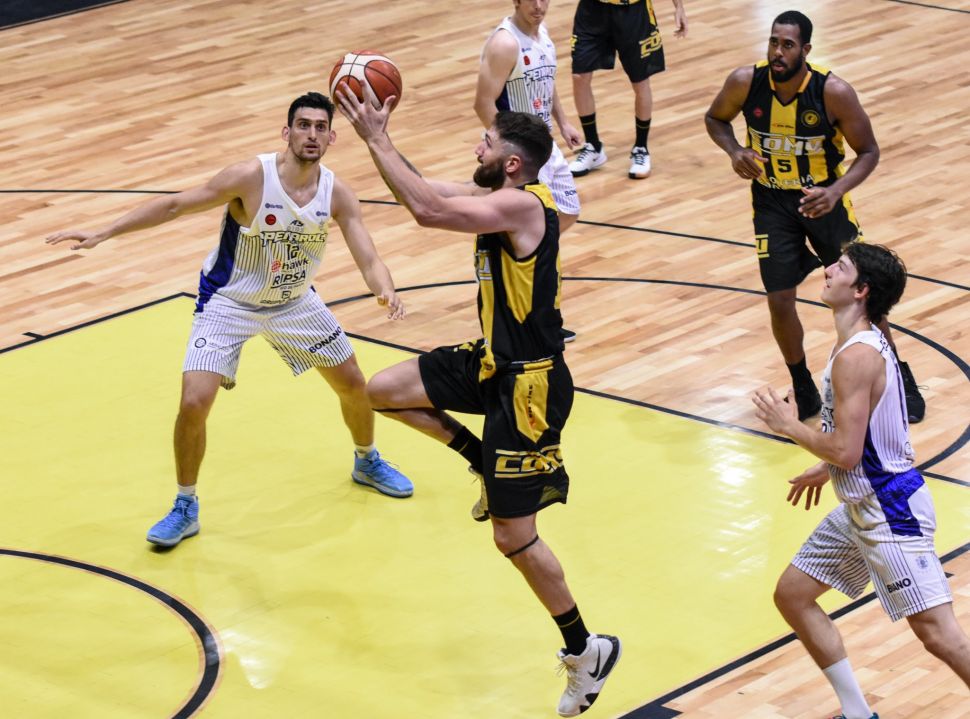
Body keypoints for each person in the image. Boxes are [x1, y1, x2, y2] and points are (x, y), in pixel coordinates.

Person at [337, 81, 620, 717]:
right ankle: (479, 462)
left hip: (530, 387)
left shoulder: (523, 207)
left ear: (512, 163)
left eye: (486, 142)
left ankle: (586, 649)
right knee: (381, 391)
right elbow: (425, 190)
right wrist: (383, 141)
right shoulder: (499, 195)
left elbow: (426, 212)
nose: (477, 147)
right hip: (493, 361)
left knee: (512, 538)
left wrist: (374, 139)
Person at [46, 92, 414, 548]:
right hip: (229, 303)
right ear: (287, 132)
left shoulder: (336, 193)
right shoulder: (250, 177)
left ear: (332, 138)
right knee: (194, 402)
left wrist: (385, 287)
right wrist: (104, 231)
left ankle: (366, 460)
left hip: (294, 302)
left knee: (354, 384)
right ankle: (185, 506)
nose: (312, 134)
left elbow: (368, 256)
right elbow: (176, 205)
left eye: (321, 127)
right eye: (303, 125)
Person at [752, 242, 970, 719]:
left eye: (841, 266)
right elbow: (872, 431)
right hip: (863, 502)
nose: (828, 268)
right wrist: (825, 466)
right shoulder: (859, 342)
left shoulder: (857, 355)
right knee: (793, 595)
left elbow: (847, 451)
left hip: (890, 510)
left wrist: (790, 428)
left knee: (939, 635)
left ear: (861, 291)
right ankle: (857, 713)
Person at [705, 10, 925, 423]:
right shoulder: (745, 81)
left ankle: (898, 377)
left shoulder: (833, 91)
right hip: (772, 202)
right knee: (779, 298)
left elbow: (869, 151)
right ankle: (803, 386)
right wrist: (734, 151)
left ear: (805, 49)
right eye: (774, 42)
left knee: (863, 296)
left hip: (825, 201)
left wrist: (836, 191)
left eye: (787, 45)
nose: (778, 52)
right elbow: (715, 118)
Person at [475, 0, 583, 343]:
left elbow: (547, 83)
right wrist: (506, 148)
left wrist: (564, 122)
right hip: (521, 157)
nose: (538, 6)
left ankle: (524, 285)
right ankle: (533, 316)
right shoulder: (505, 43)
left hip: (545, 145)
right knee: (540, 231)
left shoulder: (542, 33)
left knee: (567, 212)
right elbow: (483, 103)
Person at [568, 0, 688, 179]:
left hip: (633, 11)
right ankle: (593, 146)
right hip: (592, 9)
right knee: (579, 76)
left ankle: (641, 148)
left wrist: (679, 7)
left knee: (640, 81)